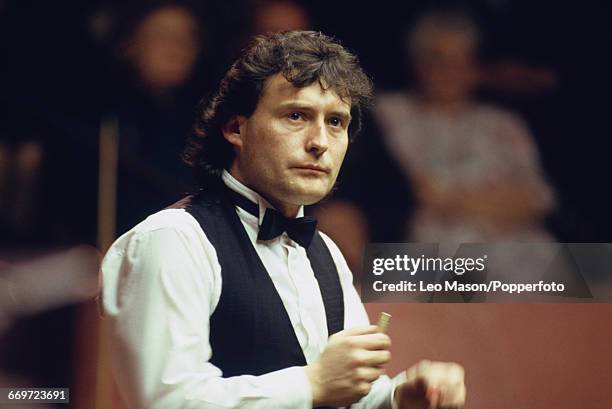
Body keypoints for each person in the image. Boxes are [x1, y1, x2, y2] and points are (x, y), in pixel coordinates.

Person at [101, 31, 465, 409]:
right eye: (296, 115)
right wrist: (312, 383)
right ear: (235, 128)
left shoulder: (325, 253)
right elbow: (167, 401)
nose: (319, 141)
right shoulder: (171, 240)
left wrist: (398, 397)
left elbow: (349, 393)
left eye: (336, 122)